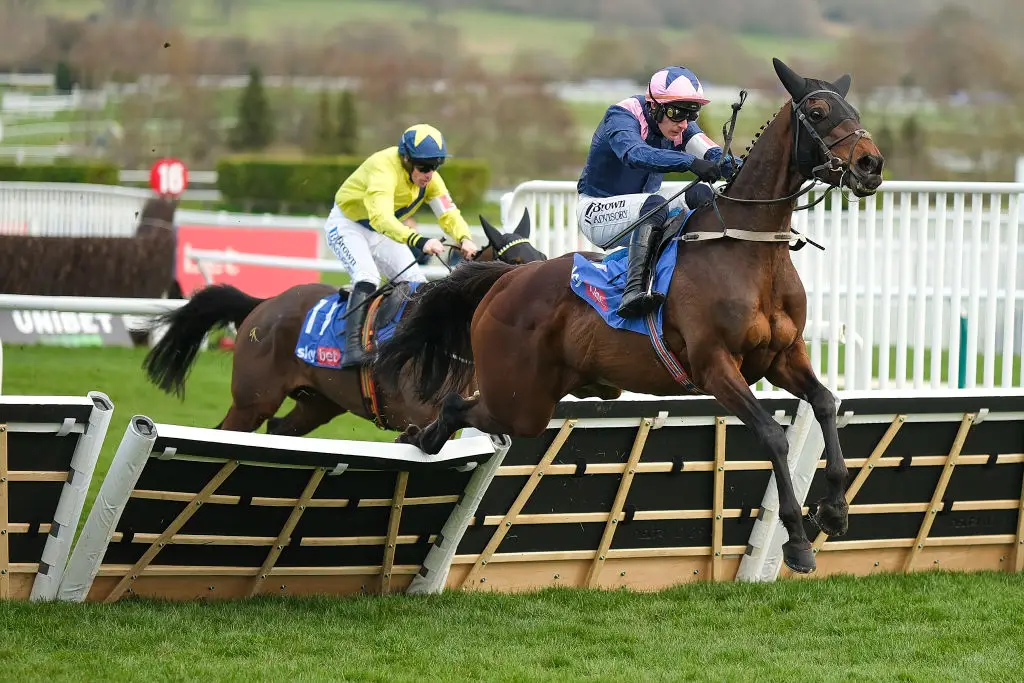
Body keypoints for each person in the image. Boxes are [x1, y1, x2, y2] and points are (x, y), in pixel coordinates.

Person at [576, 66, 740, 318]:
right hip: (596, 212)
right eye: (676, 113)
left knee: (703, 196)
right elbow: (634, 154)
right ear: (654, 106)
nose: (683, 124)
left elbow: (715, 155)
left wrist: (745, 167)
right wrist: (689, 162)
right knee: (655, 205)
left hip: (644, 208)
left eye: (691, 115)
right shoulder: (621, 115)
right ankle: (633, 293)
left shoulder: (678, 125)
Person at [324, 123, 480, 368]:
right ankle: (351, 349)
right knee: (367, 277)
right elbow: (381, 218)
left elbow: (448, 213)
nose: (429, 174)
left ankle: (407, 345)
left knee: (417, 285)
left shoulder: (431, 180)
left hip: (380, 231)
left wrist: (465, 238)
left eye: (435, 166)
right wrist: (419, 241)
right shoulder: (383, 168)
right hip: (348, 225)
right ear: (405, 159)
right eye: (424, 167)